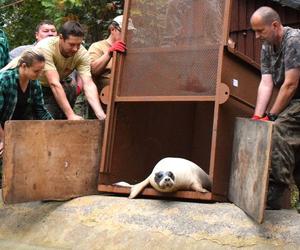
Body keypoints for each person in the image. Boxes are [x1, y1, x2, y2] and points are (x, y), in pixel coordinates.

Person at [3, 21, 106, 120]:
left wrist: (100, 114)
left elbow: (88, 84)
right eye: (71, 44)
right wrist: (71, 115)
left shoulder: (82, 53)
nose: (75, 49)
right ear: (61, 38)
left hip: (43, 85)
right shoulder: (45, 47)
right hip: (21, 84)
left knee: (67, 92)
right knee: (25, 121)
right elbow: (54, 83)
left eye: (78, 44)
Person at [250, 6, 300, 211]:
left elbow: (290, 84)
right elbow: (266, 83)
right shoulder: (267, 47)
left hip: (296, 97)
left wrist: (270, 117)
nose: (256, 36)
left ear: (275, 25)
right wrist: (257, 116)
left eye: (260, 31)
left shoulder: (294, 40)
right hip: (293, 101)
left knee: (278, 130)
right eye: (254, 31)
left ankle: (273, 192)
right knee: (295, 152)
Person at [0, 49, 53, 172]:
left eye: (41, 70)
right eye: (36, 71)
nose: (39, 74)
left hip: (17, 129)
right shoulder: (5, 80)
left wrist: (54, 128)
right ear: (24, 66)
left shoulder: (34, 83)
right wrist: (3, 139)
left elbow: (40, 110)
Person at [88, 15, 135, 103]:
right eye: (125, 32)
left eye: (130, 33)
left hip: (127, 96)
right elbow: (93, 70)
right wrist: (109, 53)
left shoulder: (130, 50)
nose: (128, 36)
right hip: (105, 99)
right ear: (112, 29)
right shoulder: (98, 46)